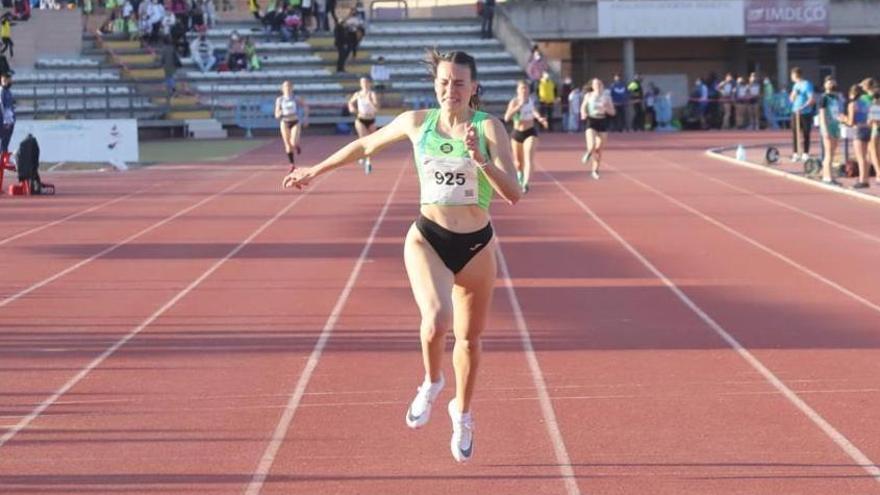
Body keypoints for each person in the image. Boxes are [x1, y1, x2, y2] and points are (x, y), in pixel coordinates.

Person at [281, 50, 521, 463]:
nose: (451, 90)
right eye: (444, 82)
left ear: (474, 88)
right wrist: (314, 172)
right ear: (435, 85)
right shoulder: (417, 122)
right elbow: (364, 145)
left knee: (470, 339)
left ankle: (461, 413)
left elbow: (514, 193)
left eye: (460, 83)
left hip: (478, 244)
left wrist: (480, 159)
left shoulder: (488, 128)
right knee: (436, 320)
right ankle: (431, 383)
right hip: (428, 238)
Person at [503, 80, 548, 193]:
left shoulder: (531, 100)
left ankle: (525, 183)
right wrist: (518, 106)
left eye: (526, 88)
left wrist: (540, 118)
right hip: (517, 133)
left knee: (529, 158)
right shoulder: (514, 102)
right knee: (518, 163)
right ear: (518, 90)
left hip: (530, 132)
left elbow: (534, 111)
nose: (524, 90)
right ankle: (520, 174)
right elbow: (507, 118)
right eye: (522, 88)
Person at [580, 77, 615, 180]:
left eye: (599, 84)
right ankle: (588, 153)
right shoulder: (589, 95)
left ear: (602, 86)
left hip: (602, 121)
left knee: (599, 150)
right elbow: (583, 106)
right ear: (592, 86)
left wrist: (606, 108)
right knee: (592, 145)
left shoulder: (606, 97)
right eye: (595, 85)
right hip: (591, 121)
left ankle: (595, 170)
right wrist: (583, 113)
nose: (598, 86)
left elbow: (613, 112)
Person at [347, 76, 379, 174]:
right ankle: (367, 162)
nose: (364, 84)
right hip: (360, 119)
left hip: (371, 119)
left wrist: (370, 101)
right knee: (364, 139)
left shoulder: (372, 94)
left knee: (371, 142)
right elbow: (350, 102)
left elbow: (377, 108)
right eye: (362, 82)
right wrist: (351, 108)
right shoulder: (357, 94)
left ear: (369, 83)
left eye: (365, 82)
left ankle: (366, 158)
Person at [275, 80, 309, 171]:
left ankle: (297, 145)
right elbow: (276, 114)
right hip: (285, 122)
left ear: (292, 88)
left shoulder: (296, 98)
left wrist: (306, 118)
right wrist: (280, 113)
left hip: (295, 121)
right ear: (282, 89)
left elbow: (305, 106)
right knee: (287, 144)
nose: (287, 88)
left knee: (293, 142)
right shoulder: (280, 100)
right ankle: (292, 164)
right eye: (285, 86)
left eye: (289, 86)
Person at [841, 84, 869, 189]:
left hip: (858, 129)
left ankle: (862, 180)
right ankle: (865, 178)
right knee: (865, 156)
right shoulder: (865, 103)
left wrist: (843, 119)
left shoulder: (852, 104)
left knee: (860, 157)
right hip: (867, 128)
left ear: (851, 94)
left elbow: (851, 122)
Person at [817, 76, 843, 185]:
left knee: (832, 153)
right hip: (827, 128)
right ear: (825, 85)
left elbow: (837, 113)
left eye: (833, 81)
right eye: (828, 82)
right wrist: (825, 130)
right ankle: (827, 178)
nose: (831, 83)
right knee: (828, 153)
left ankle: (827, 174)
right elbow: (822, 115)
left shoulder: (836, 98)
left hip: (835, 127)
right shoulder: (824, 98)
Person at [788, 66, 815, 162]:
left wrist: (802, 107)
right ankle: (796, 153)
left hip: (805, 112)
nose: (791, 77)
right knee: (795, 133)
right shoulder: (795, 86)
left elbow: (811, 99)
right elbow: (791, 99)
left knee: (806, 133)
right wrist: (792, 96)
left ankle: (805, 153)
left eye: (791, 75)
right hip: (795, 112)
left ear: (795, 75)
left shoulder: (807, 84)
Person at [0, 73, 14, 165]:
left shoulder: (8, 91)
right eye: (5, 80)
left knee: (6, 141)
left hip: (10, 120)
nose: (8, 81)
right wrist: (5, 120)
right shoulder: (1, 91)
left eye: (9, 79)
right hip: (3, 120)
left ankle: (4, 158)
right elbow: (1, 106)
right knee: (3, 140)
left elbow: (10, 106)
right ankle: (3, 158)